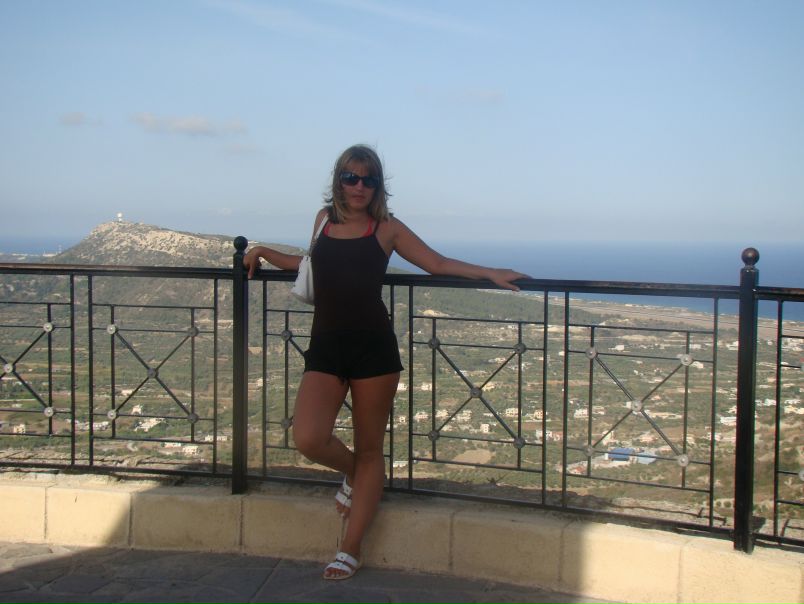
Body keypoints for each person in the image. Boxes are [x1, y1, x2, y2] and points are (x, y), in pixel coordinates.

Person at [243, 144, 528, 580]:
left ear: (379, 186)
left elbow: (436, 263)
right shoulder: (324, 220)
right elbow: (311, 266)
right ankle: (357, 476)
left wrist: (489, 272)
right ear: (339, 180)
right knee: (308, 436)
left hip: (374, 350)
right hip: (326, 347)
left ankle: (351, 546)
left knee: (371, 449)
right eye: (351, 177)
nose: (359, 186)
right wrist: (264, 251)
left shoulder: (386, 228)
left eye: (369, 179)